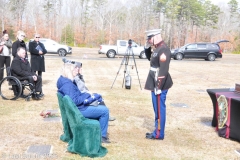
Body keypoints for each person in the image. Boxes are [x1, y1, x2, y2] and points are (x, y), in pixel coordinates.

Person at [57, 63, 111, 143]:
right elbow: (75, 101)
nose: (76, 70)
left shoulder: (64, 81)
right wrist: (87, 95)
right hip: (78, 110)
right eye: (74, 69)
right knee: (105, 111)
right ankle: (102, 136)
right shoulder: (67, 85)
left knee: (99, 104)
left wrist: (87, 95)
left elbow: (75, 97)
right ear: (69, 71)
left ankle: (97, 132)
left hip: (76, 108)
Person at [144, 29, 173, 140]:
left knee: (160, 110)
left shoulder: (164, 49)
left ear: (156, 37)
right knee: (156, 109)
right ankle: (157, 130)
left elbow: (163, 70)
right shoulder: (157, 49)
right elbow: (150, 59)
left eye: (150, 38)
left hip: (159, 84)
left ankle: (159, 134)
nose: (149, 40)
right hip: (154, 82)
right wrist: (147, 47)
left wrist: (159, 86)